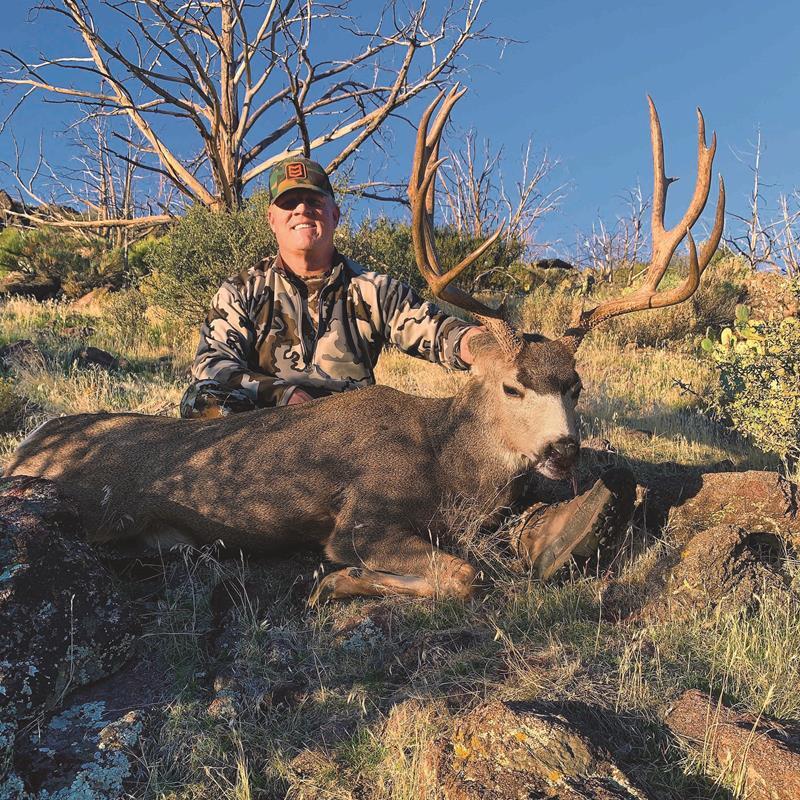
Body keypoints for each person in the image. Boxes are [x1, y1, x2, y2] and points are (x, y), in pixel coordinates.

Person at [181, 156, 635, 579]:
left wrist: (484, 346)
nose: (303, 211)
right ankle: (208, 510)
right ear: (272, 218)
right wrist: (282, 395)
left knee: (466, 447)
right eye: (290, 204)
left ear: (334, 214)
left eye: (314, 202)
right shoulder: (242, 291)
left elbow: (434, 330)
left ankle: (530, 529)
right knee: (205, 402)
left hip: (350, 439)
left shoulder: (373, 288)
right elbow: (212, 364)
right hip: (264, 428)